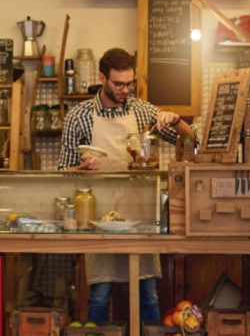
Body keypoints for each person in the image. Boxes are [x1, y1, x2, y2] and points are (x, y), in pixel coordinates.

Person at [58, 48, 194, 322]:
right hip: (99, 219)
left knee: (149, 294)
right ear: (102, 78)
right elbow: (63, 173)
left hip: (141, 217)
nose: (125, 90)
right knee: (100, 294)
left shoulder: (143, 111)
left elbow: (194, 141)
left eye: (129, 83)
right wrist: (81, 168)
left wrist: (176, 120)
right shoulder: (79, 116)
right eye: (118, 84)